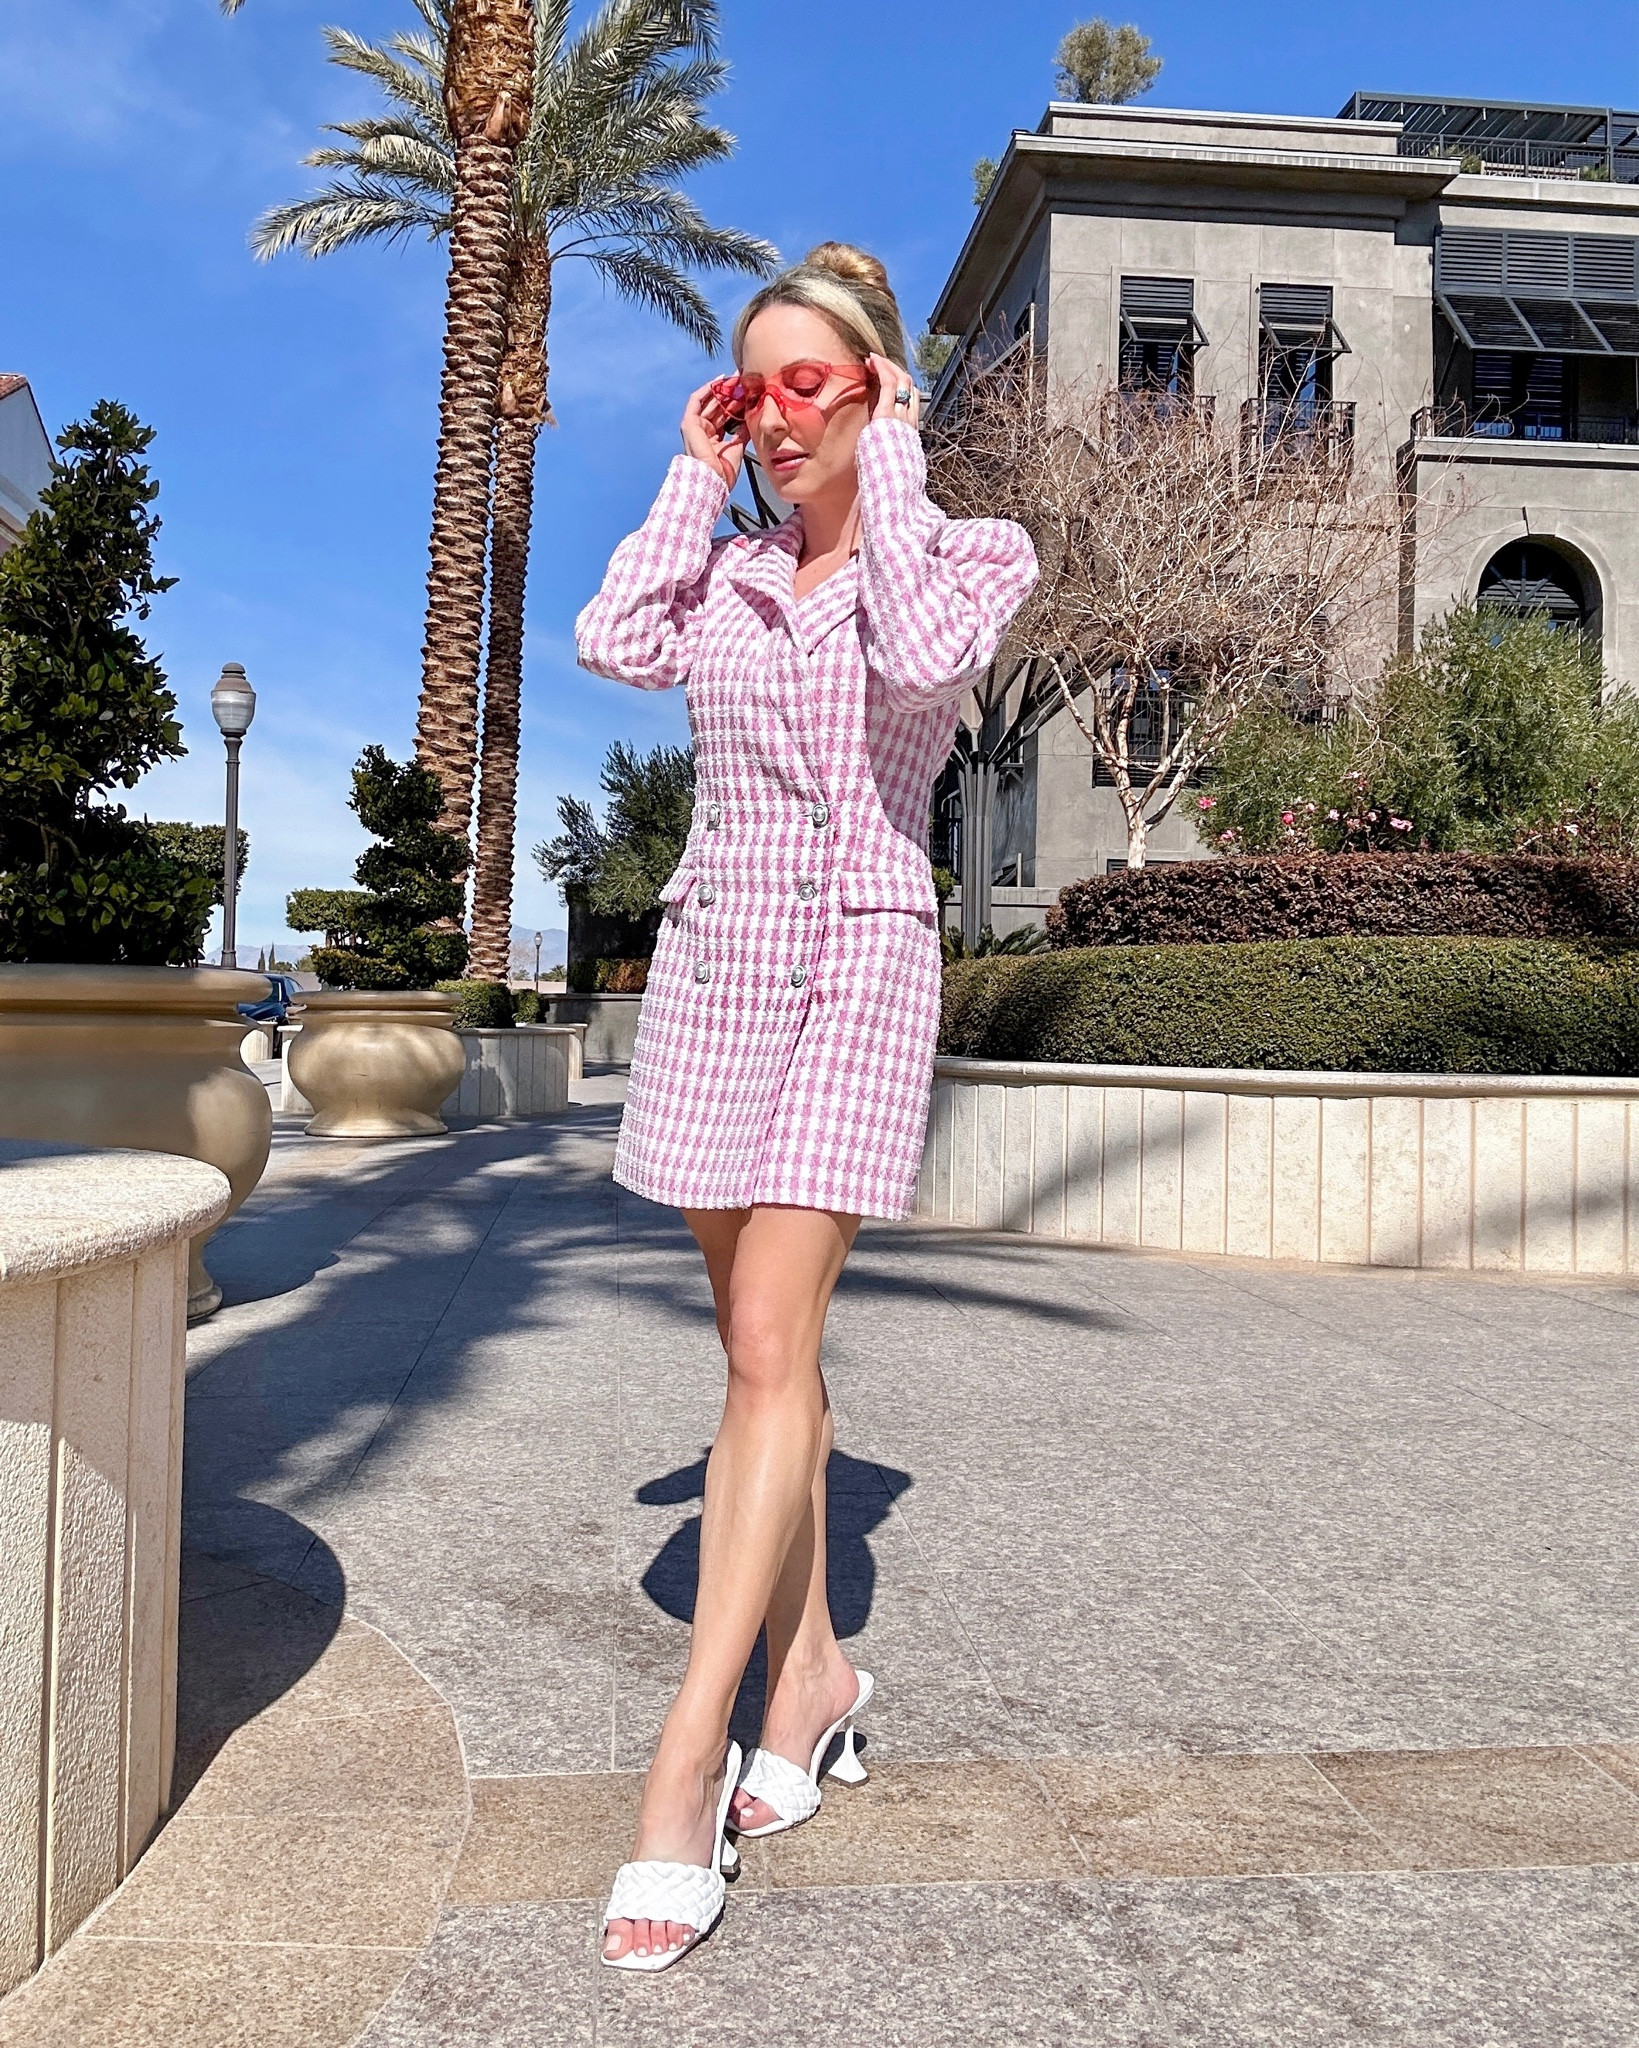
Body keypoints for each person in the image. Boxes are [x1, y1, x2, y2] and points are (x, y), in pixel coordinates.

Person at [576, 242, 1037, 1971]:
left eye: (805, 386)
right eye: (746, 389)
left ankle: (684, 1764)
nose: (773, 420)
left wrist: (894, 453)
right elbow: (615, 636)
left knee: (771, 1341)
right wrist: (689, 477)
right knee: (767, 1358)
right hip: (712, 962)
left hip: (858, 961)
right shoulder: (733, 569)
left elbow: (922, 655)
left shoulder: (970, 554)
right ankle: (818, 1676)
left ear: (874, 391)